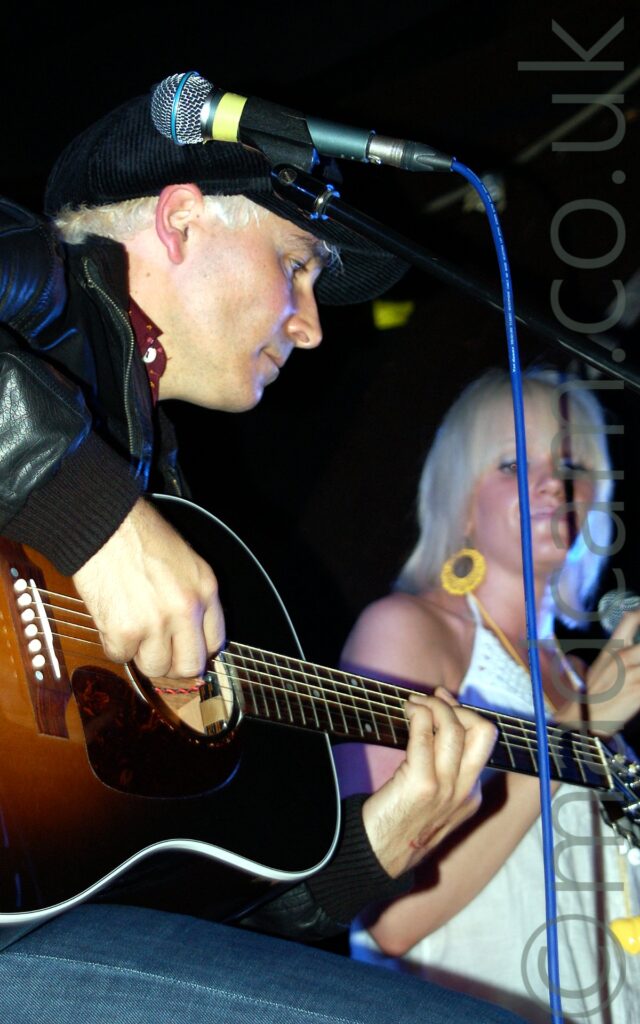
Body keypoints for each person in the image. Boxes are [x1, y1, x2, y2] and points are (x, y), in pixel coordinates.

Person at [0, 80, 522, 1024]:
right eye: (298, 264)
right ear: (182, 219)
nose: (313, 326)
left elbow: (179, 920)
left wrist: (367, 853)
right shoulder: (32, 280)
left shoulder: (171, 497)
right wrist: (85, 509)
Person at [336, 366, 640, 1022]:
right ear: (462, 498)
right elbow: (391, 917)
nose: (552, 485)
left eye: (572, 462)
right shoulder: (408, 633)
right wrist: (578, 730)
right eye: (511, 462)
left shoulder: (579, 675)